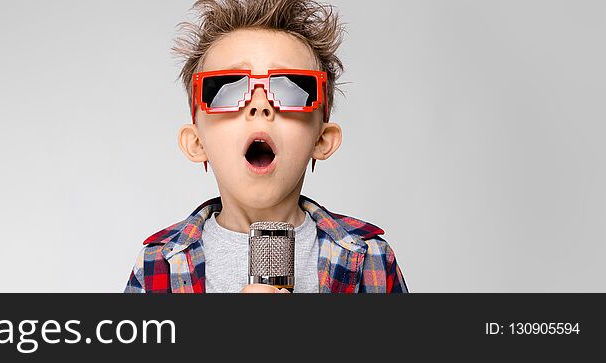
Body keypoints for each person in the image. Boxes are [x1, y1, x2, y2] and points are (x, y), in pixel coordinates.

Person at [124, 0, 407, 293]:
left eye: (291, 89)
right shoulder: (159, 264)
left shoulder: (371, 258)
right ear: (196, 143)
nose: (260, 105)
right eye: (227, 89)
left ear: (322, 140)